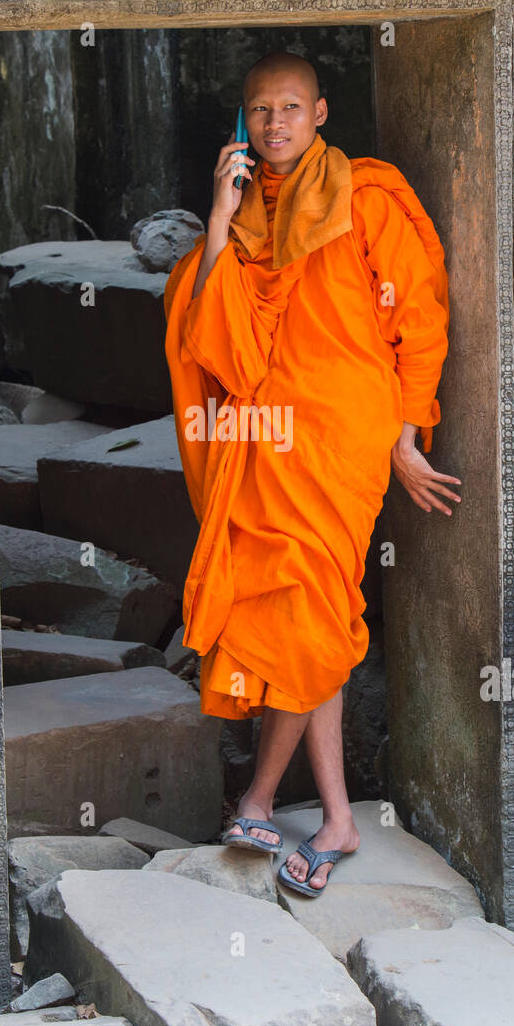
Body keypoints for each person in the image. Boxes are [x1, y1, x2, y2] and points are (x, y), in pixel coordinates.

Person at [163, 51, 459, 895]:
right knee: (309, 618)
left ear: (321, 112)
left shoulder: (366, 196)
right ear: (243, 125)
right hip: (267, 435)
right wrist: (219, 218)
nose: (275, 124)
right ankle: (333, 817)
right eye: (260, 112)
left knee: (313, 605)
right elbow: (209, 335)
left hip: (343, 437)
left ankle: (257, 796)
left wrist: (407, 437)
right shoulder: (249, 212)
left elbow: (421, 318)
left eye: (291, 107)